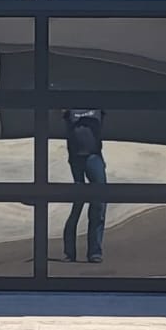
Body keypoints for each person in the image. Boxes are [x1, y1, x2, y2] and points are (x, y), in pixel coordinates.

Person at [62, 109, 106, 263]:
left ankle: (95, 252)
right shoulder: (70, 110)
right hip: (76, 159)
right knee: (78, 203)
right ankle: (69, 252)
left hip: (94, 157)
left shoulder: (98, 108)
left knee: (99, 203)